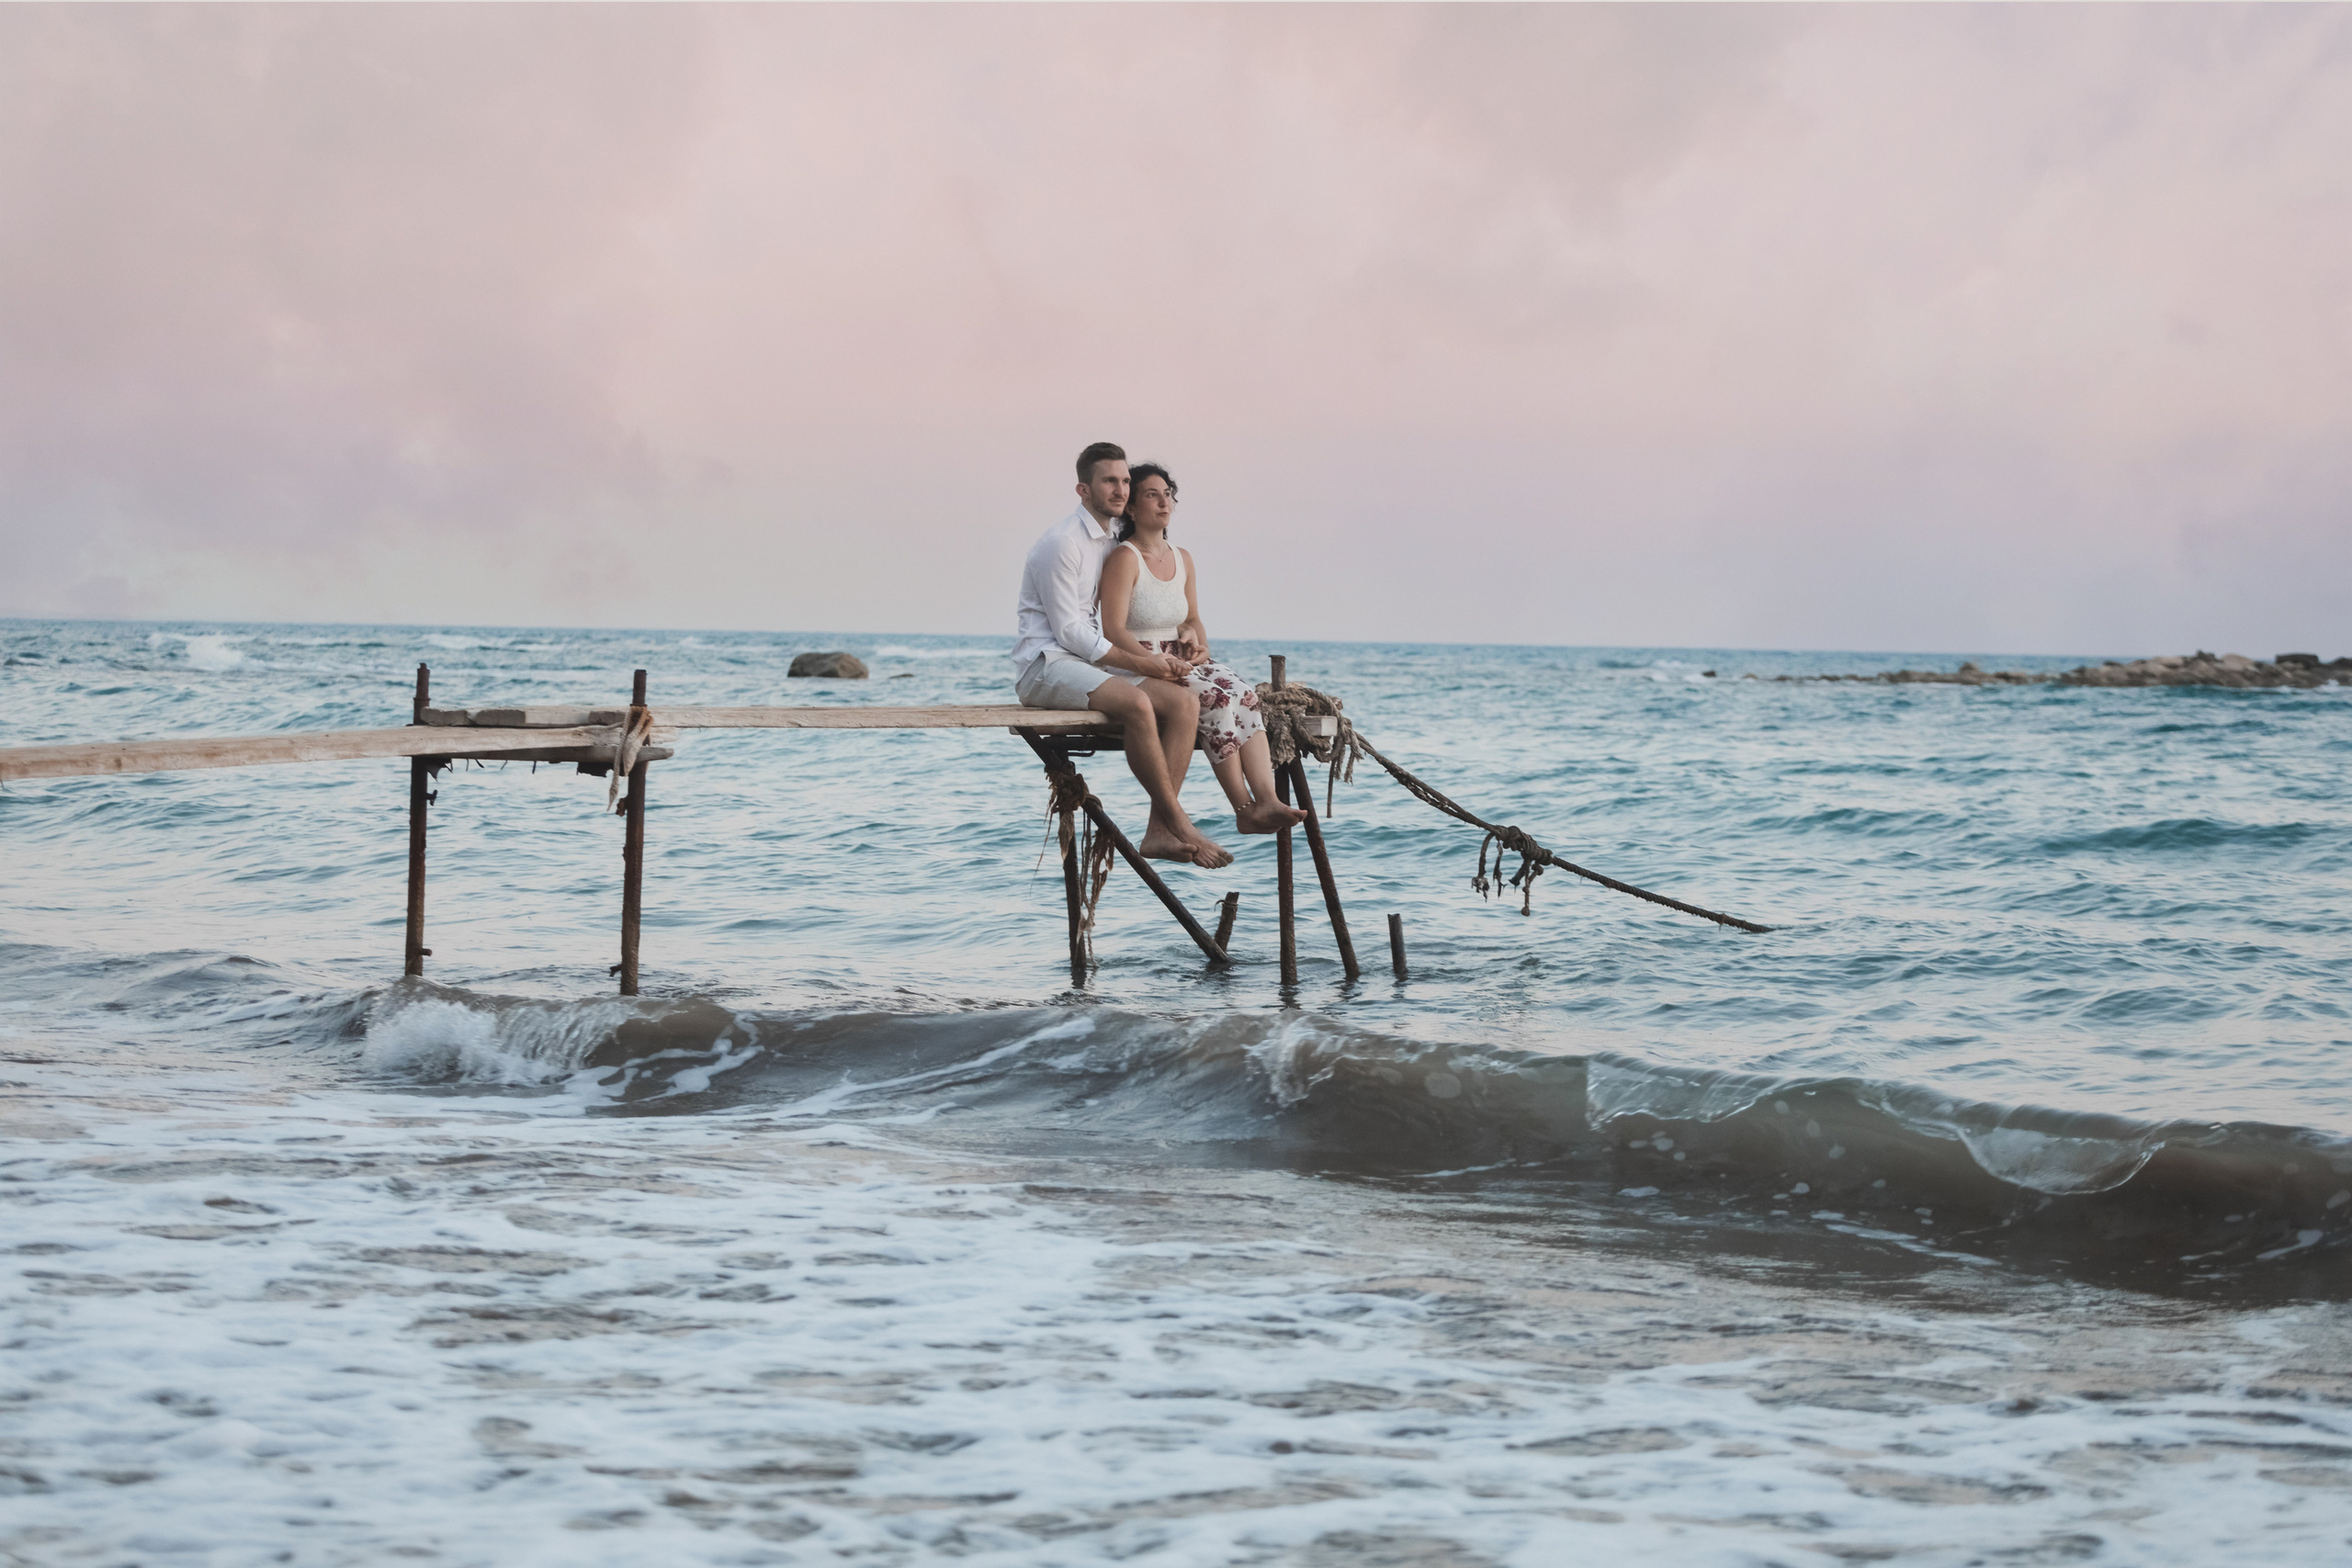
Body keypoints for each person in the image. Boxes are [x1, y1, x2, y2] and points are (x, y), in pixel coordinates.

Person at [1013, 442, 1232, 868]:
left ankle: (1158, 833)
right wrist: (1142, 662)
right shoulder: (1063, 544)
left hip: (1086, 663)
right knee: (1137, 704)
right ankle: (1181, 823)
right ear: (1083, 490)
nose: (1119, 489)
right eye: (1109, 481)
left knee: (1185, 703)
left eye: (1125, 481)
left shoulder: (1112, 538)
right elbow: (1069, 631)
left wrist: (1185, 629)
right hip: (1045, 666)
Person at [1097, 463, 1307, 839]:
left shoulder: (1183, 558)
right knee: (1217, 699)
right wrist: (1151, 661)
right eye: (1152, 495)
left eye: (1168, 494)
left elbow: (1192, 617)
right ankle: (1243, 809)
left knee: (1244, 695)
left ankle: (1267, 799)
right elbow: (1111, 630)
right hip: (1136, 661)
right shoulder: (1124, 558)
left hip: (1181, 657)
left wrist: (1199, 642)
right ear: (1131, 507)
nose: (1164, 502)